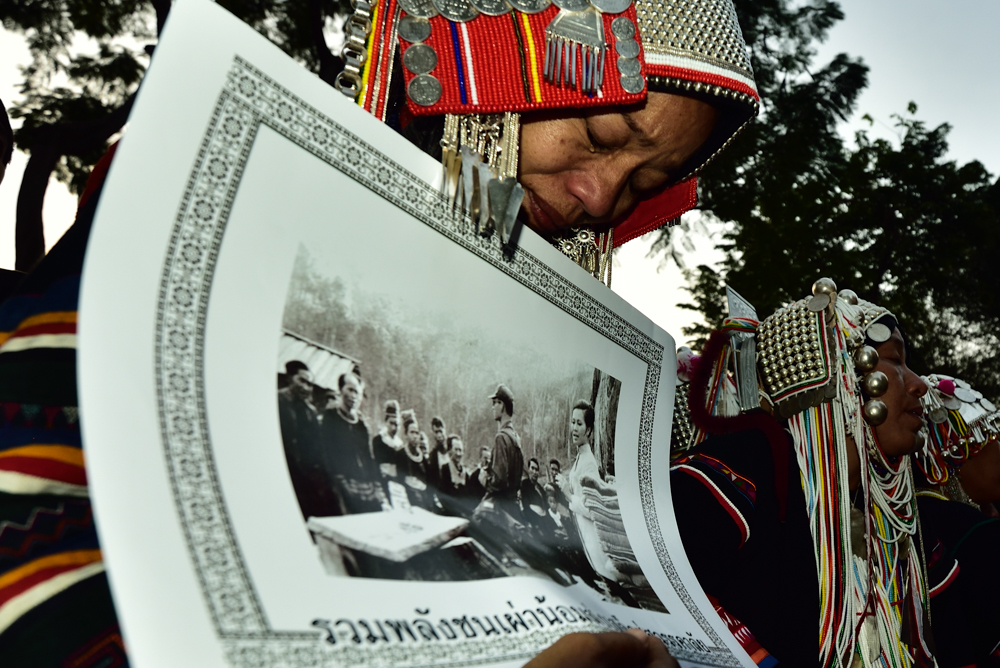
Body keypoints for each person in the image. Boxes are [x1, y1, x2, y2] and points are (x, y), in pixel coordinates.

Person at [0, 0, 759, 661]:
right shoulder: (225, 185)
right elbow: (39, 520)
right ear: (507, 55)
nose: (601, 195)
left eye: (649, 181)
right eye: (598, 130)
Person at [669, 278, 985, 666]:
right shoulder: (751, 464)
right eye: (896, 359)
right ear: (837, 372)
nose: (919, 384)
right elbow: (657, 576)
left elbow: (953, 647)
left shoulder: (902, 520)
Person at [318, 372, 384, 515]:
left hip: (364, 484)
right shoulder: (330, 418)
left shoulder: (362, 426)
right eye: (350, 390)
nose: (354, 396)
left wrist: (376, 486)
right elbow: (327, 454)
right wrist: (338, 482)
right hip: (339, 482)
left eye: (358, 392)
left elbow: (368, 457)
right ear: (341, 390)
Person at [277, 360, 323, 519]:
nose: (306, 387)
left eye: (309, 384)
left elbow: (315, 443)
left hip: (303, 472)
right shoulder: (278, 400)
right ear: (290, 379)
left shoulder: (310, 411)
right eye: (301, 380)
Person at [480, 383, 524, 521]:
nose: (493, 407)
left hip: (501, 510)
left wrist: (484, 481)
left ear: (502, 405)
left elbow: (499, 481)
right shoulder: (516, 437)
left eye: (495, 403)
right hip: (514, 507)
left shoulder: (501, 437)